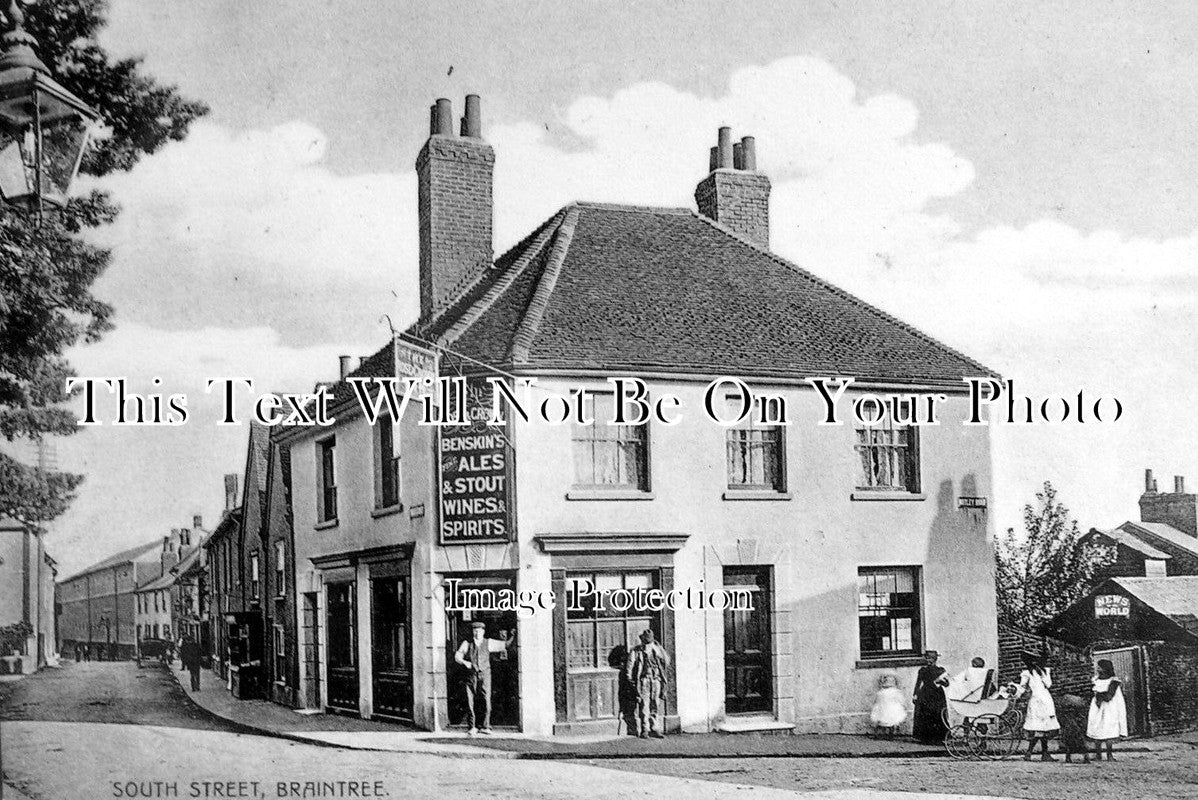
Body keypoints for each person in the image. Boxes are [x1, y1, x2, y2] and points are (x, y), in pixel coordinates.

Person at [453, 621, 515, 736]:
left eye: (479, 631)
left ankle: (486, 726)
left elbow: (505, 645)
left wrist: (512, 636)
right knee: (470, 700)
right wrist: (464, 662)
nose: (477, 633)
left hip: (485, 674)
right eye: (475, 631)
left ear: (483, 632)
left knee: (486, 699)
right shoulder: (467, 643)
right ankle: (472, 726)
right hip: (471, 675)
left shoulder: (488, 642)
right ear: (473, 632)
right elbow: (457, 656)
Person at [625, 629, 670, 739]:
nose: (648, 644)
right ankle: (645, 729)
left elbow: (667, 661)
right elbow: (629, 668)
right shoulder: (636, 651)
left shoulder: (657, 650)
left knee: (655, 705)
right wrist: (632, 682)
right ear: (642, 640)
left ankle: (654, 728)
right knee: (644, 705)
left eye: (650, 642)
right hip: (644, 681)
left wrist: (659, 648)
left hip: (656, 680)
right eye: (646, 642)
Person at [1016, 650, 1060, 761]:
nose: (1036, 662)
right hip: (1036, 702)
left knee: (1045, 728)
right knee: (1038, 728)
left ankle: (1041, 753)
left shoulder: (1045, 671)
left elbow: (1049, 685)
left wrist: (1042, 674)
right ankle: (1031, 752)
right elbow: (1022, 687)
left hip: (1046, 700)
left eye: (1039, 660)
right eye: (1034, 660)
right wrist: (1016, 695)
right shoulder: (1027, 673)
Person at [1087, 658, 1128, 762]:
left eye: (1100, 667)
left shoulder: (1113, 681)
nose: (1098, 669)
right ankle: (1098, 754)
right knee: (1097, 728)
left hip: (1110, 707)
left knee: (1109, 728)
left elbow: (1109, 696)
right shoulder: (1095, 680)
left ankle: (1109, 755)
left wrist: (1099, 695)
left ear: (1105, 669)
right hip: (1097, 708)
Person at [912, 650, 949, 743]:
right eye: (927, 658)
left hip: (937, 694)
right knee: (925, 714)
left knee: (937, 713)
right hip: (925, 693)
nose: (929, 660)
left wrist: (940, 681)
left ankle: (939, 737)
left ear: (935, 659)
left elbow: (947, 683)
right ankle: (925, 737)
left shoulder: (940, 670)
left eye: (931, 658)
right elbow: (918, 683)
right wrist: (915, 694)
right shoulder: (923, 670)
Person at [870, 673, 907, 737]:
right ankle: (890, 733)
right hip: (891, 708)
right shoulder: (896, 692)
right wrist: (902, 705)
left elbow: (876, 701)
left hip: (884, 708)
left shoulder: (881, 692)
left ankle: (883, 733)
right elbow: (901, 700)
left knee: (883, 720)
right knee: (891, 720)